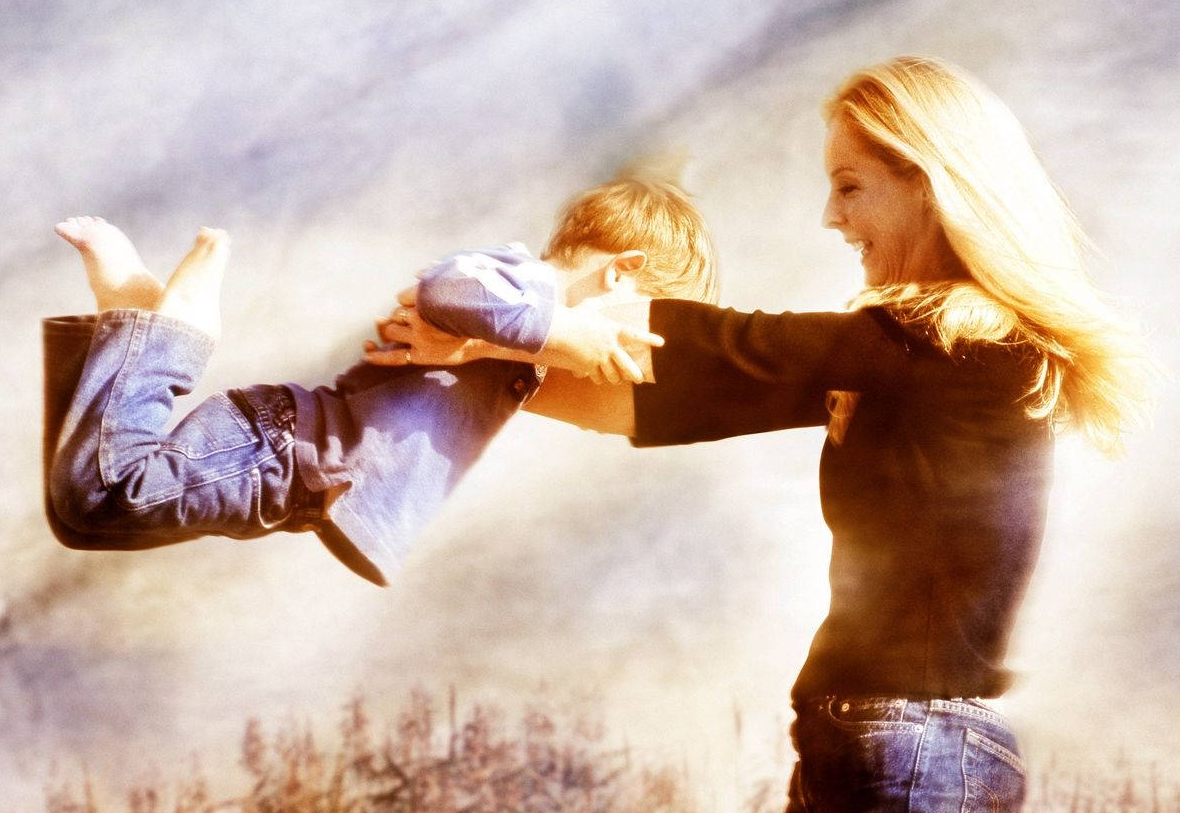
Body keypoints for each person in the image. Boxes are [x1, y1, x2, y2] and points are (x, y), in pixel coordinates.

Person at [371, 57, 1151, 813]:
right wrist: (480, 355)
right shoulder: (901, 355)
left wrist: (498, 330)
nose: (829, 216)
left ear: (927, 184)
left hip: (915, 755)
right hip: (856, 751)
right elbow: (653, 389)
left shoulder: (962, 349)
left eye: (850, 187)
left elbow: (715, 351)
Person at [41, 177, 718, 585]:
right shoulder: (523, 280)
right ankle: (178, 327)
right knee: (96, 494)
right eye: (635, 320)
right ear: (622, 272)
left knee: (86, 519)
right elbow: (446, 287)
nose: (618, 342)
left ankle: (132, 318)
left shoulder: (523, 338)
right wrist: (567, 334)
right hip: (284, 447)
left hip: (296, 483)